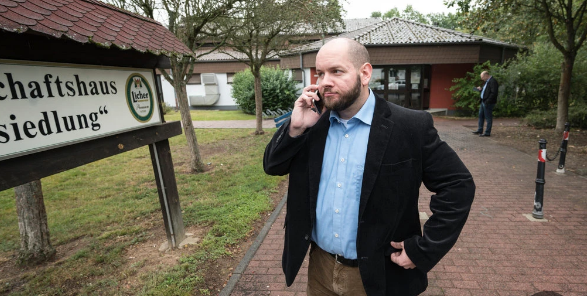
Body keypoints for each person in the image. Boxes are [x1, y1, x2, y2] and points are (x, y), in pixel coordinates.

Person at [263, 38, 475, 296]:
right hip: (320, 268)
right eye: (320, 73)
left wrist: (425, 249)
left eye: (336, 71)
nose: (324, 81)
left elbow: (458, 185)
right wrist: (295, 127)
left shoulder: (409, 126)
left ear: (364, 73)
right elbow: (273, 166)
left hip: (380, 275)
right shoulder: (312, 123)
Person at [473, 71, 499, 137]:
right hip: (483, 101)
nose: (482, 79)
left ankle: (487, 132)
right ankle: (480, 129)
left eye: (482, 77)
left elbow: (493, 93)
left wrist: (488, 101)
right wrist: (480, 89)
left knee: (488, 117)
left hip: (488, 102)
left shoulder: (493, 81)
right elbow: (486, 91)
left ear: (486, 75)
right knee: (481, 116)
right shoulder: (486, 82)